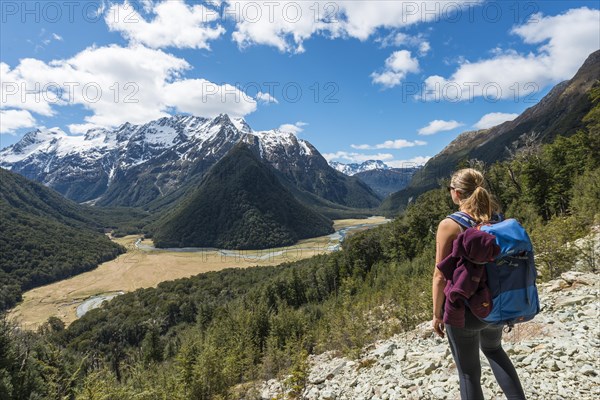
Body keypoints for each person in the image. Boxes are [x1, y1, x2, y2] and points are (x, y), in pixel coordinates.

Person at [432, 168, 526, 399]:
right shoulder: (497, 218)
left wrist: (437, 314)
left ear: (456, 193)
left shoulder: (450, 225)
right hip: (496, 302)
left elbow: (440, 276)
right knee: (494, 350)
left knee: (468, 374)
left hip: (466, 310)